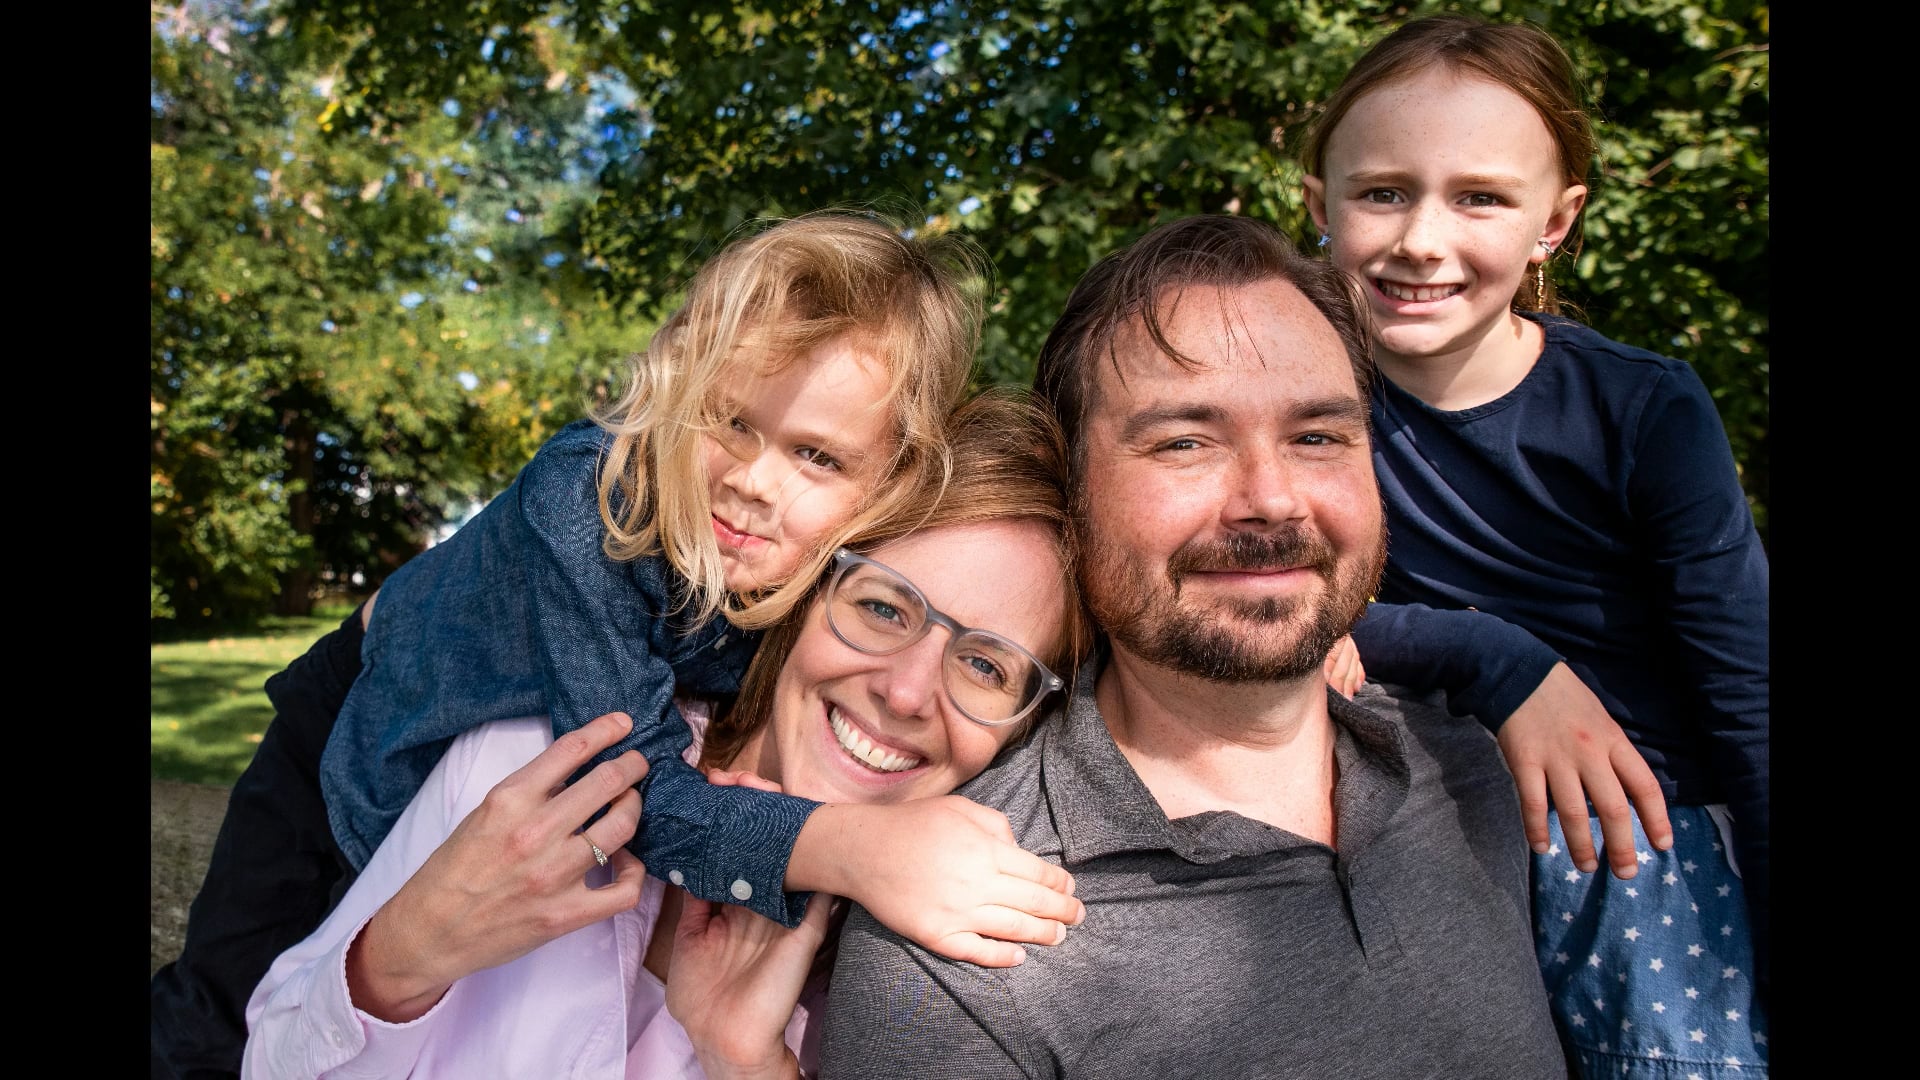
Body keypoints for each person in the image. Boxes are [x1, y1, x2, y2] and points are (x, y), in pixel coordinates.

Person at [152, 215, 1082, 1079]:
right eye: (733, 422)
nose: (756, 482)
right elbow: (644, 789)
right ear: (678, 384)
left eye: (818, 457)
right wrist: (852, 848)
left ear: (887, 484)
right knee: (212, 1005)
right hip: (371, 707)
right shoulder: (590, 503)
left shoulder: (771, 588)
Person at [820, 214, 1568, 1078]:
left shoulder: (1480, 765)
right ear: (1073, 495)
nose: (1272, 499)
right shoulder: (958, 947)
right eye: (1185, 442)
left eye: (1317, 436)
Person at [1300, 14, 1769, 1074]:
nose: (1422, 237)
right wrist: (1489, 652)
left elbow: (1749, 691)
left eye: (1479, 198)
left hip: (1642, 846)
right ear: (1318, 204)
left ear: (1553, 224)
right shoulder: (1298, 400)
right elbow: (1248, 594)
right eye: (1383, 191)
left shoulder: (1640, 410)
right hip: (1434, 845)